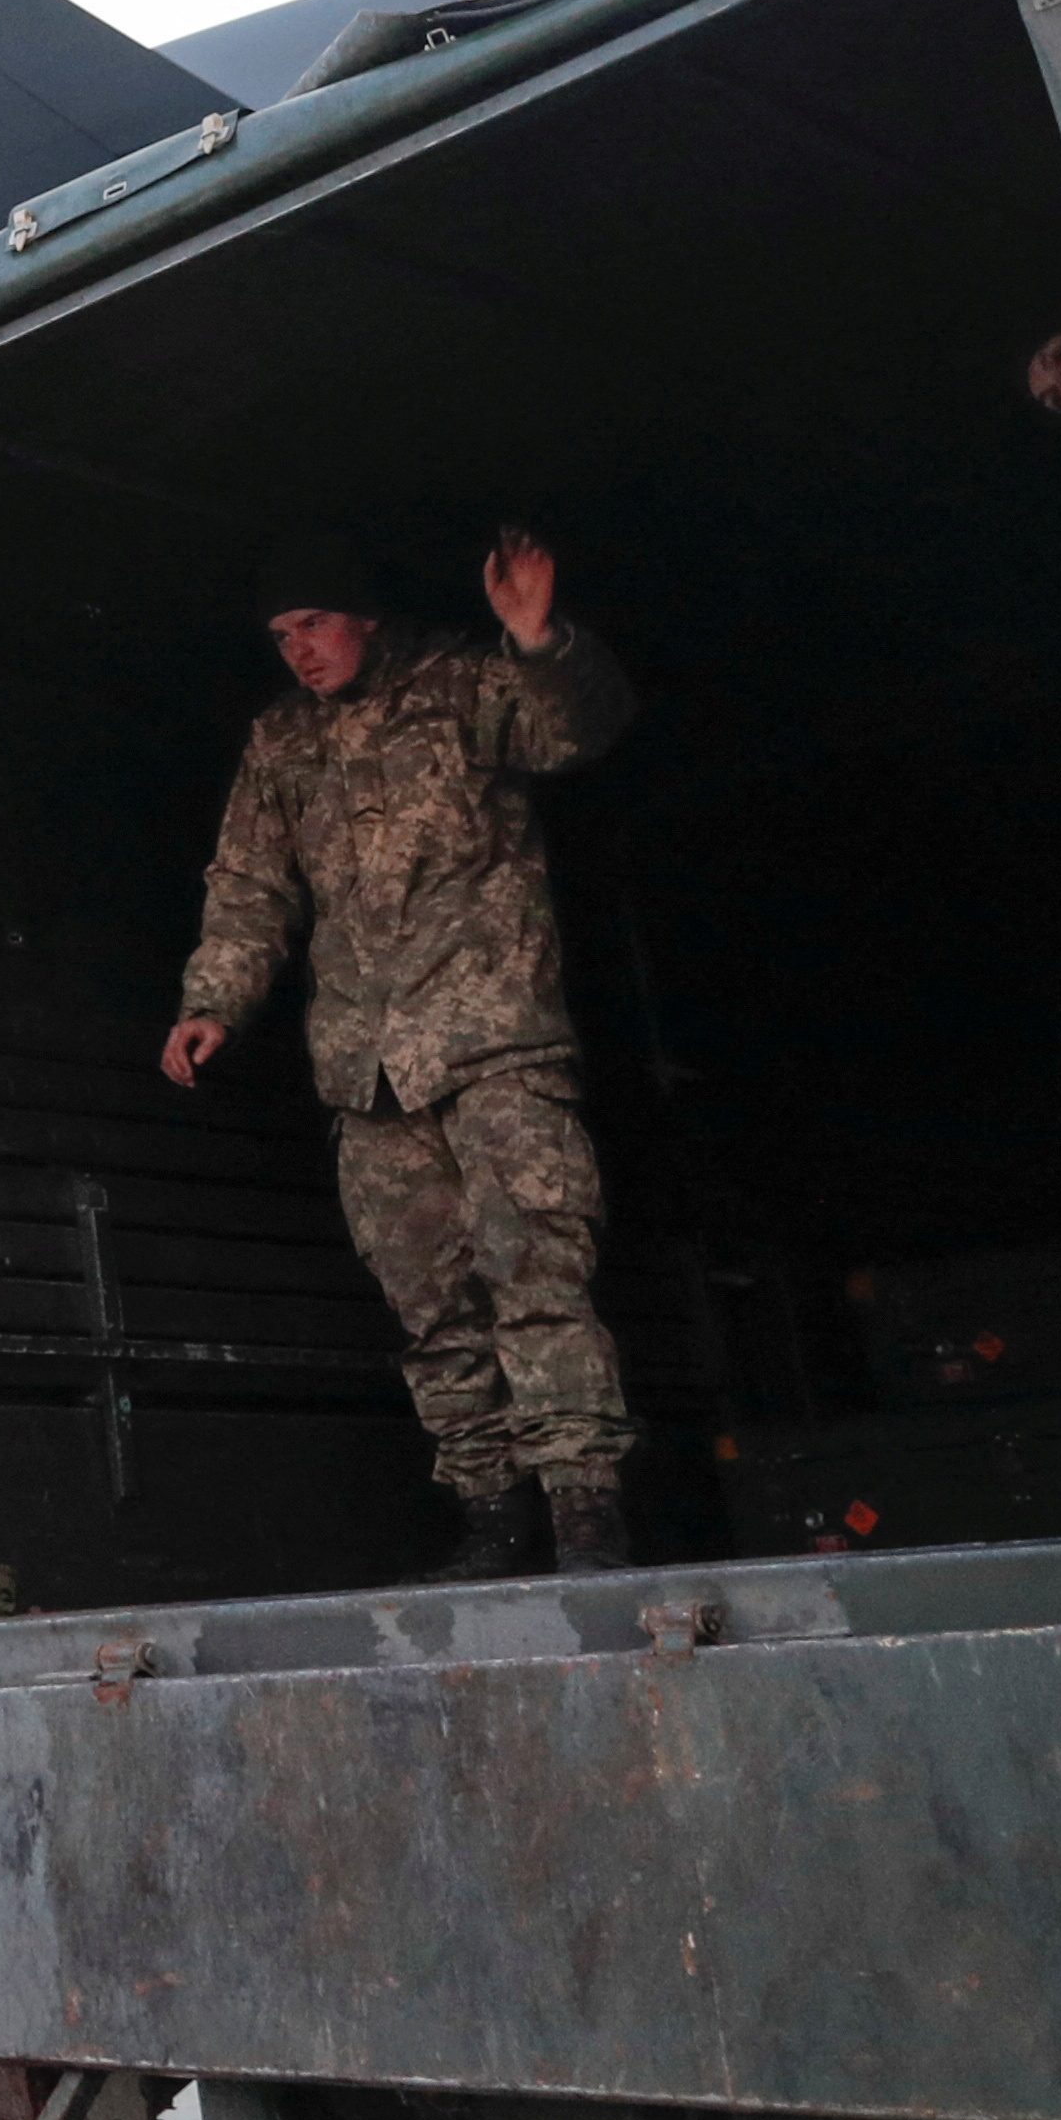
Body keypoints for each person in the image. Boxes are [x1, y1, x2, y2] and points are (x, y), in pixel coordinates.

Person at [159, 524, 641, 1579]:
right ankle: (490, 1517)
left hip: (493, 1040)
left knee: (538, 1274)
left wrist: (538, 637)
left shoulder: (464, 685)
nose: (300, 649)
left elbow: (577, 731)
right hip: (369, 1072)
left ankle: (584, 1514)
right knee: (430, 1305)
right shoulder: (282, 743)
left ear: (365, 618)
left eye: (315, 624)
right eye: (282, 634)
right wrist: (214, 1003)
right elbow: (248, 891)